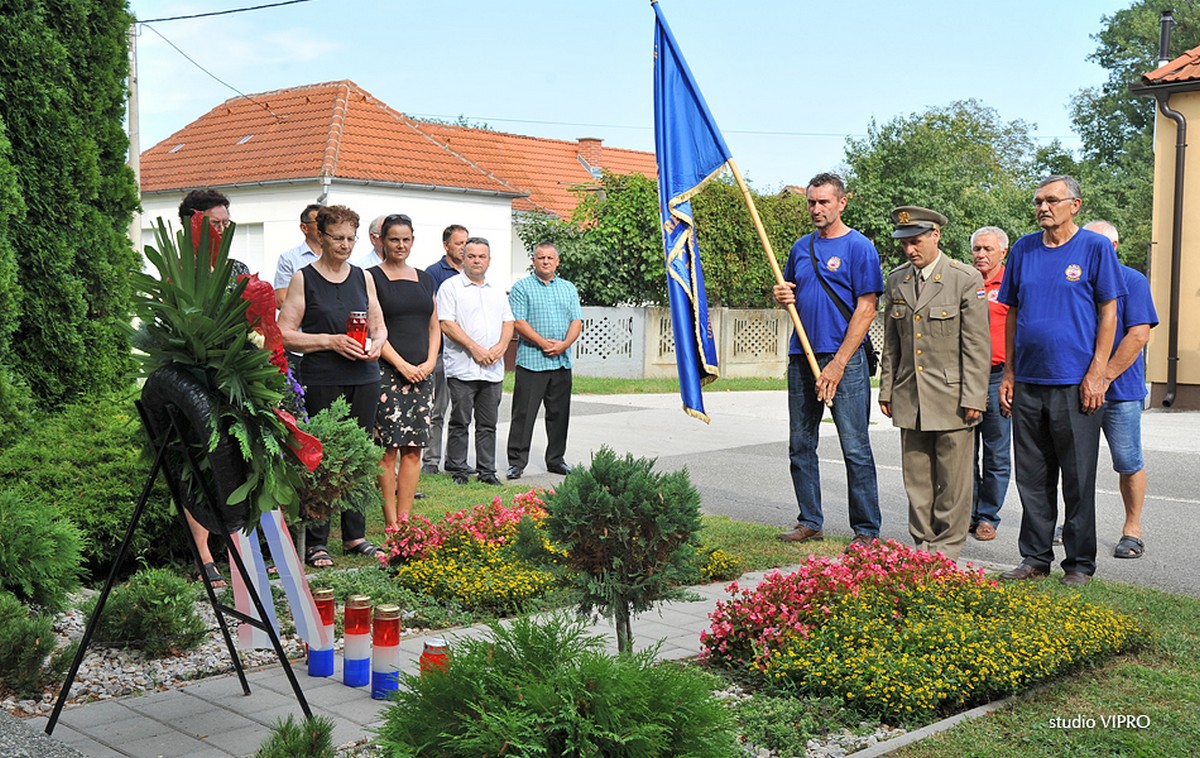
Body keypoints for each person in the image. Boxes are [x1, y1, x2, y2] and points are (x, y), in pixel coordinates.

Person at [998, 175, 1125, 587]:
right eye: (1038, 201)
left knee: (1077, 476)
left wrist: (1098, 373)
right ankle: (1034, 558)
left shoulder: (1094, 248)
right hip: (1029, 382)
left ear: (1075, 205)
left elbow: (1109, 311)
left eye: (1051, 200)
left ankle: (1079, 564)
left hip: (1076, 384)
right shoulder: (1023, 249)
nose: (1042, 207)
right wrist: (1010, 374)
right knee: (1032, 476)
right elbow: (1012, 313)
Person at [772, 172, 883, 550]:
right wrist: (782, 295)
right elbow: (792, 294)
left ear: (841, 203)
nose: (816, 209)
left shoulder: (860, 248)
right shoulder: (800, 248)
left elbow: (867, 309)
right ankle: (810, 521)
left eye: (824, 202)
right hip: (801, 356)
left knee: (855, 446)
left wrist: (837, 363)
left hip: (845, 362)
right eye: (811, 202)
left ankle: (866, 530)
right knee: (800, 444)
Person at [879, 207, 990, 562]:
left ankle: (947, 548)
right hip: (910, 394)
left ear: (935, 236)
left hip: (953, 396)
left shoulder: (964, 278)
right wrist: (886, 389)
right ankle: (922, 544)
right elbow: (892, 344)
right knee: (917, 479)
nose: (910, 250)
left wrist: (974, 395)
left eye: (916, 241)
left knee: (954, 482)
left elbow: (976, 346)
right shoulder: (897, 280)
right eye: (905, 244)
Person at [278, 204, 386, 567]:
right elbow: (284, 334)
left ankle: (355, 534)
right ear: (320, 237)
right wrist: (329, 340)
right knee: (321, 455)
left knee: (359, 454)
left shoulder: (364, 277)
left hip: (364, 376)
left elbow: (379, 326)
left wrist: (377, 347)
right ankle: (317, 539)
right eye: (337, 237)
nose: (345, 245)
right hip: (322, 376)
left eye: (351, 238)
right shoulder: (303, 278)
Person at [176, 188, 247, 588]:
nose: (222, 229)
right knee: (197, 463)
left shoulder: (236, 266)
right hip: (191, 377)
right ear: (194, 224)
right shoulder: (180, 266)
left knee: (233, 460)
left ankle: (240, 547)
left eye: (226, 223)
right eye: (215, 223)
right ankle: (204, 555)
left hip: (234, 373)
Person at [1083, 220, 1159, 560]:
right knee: (1074, 463)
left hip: (1120, 393)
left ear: (1112, 247)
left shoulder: (1132, 280)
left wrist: (1103, 378)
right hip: (1077, 389)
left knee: (1128, 462)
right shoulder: (1077, 282)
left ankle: (1132, 530)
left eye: (1096, 245)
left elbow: (1139, 335)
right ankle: (1073, 524)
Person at [370, 214, 439, 527]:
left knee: (413, 450)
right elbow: (374, 328)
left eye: (406, 239)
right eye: (394, 239)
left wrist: (430, 362)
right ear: (382, 241)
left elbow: (433, 324)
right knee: (388, 450)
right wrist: (400, 364)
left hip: (423, 375)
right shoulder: (370, 276)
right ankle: (389, 522)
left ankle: (405, 518)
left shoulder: (425, 278)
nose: (400, 245)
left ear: (413, 241)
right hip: (387, 374)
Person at [437, 237, 514, 486]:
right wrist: (475, 349)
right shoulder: (451, 287)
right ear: (464, 258)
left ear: (489, 260)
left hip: (492, 369)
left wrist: (501, 348)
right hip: (463, 368)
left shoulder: (496, 289)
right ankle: (458, 468)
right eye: (471, 256)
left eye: (482, 256)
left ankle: (487, 471)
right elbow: (447, 324)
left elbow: (508, 322)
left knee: (488, 423)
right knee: (460, 421)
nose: (476, 260)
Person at [505, 242, 583, 479]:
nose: (546, 261)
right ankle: (517, 462)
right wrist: (542, 342)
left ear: (557, 261)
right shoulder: (521, 288)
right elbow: (518, 322)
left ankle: (556, 460)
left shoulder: (569, 288)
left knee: (559, 415)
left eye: (550, 258)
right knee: (523, 414)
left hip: (561, 362)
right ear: (533, 261)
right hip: (532, 362)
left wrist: (564, 345)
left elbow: (576, 321)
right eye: (541, 258)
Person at [969, 226, 1012, 541]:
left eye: (987, 249)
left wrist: (1012, 377)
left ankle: (988, 517)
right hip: (966, 378)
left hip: (999, 376)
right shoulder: (963, 282)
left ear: (1003, 252)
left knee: (996, 452)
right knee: (962, 451)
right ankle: (966, 513)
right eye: (977, 249)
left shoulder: (1013, 284)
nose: (981, 255)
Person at [422, 224, 469, 474]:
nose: (463, 247)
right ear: (446, 245)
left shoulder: (472, 273)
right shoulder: (434, 273)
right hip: (441, 352)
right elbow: (434, 316)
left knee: (461, 412)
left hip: (464, 355)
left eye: (466, 242)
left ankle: (456, 460)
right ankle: (431, 461)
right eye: (459, 243)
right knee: (437, 409)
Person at [273, 203, 323, 308]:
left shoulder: (340, 259)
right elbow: (281, 299)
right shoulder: (289, 259)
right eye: (319, 222)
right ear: (304, 228)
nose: (324, 227)